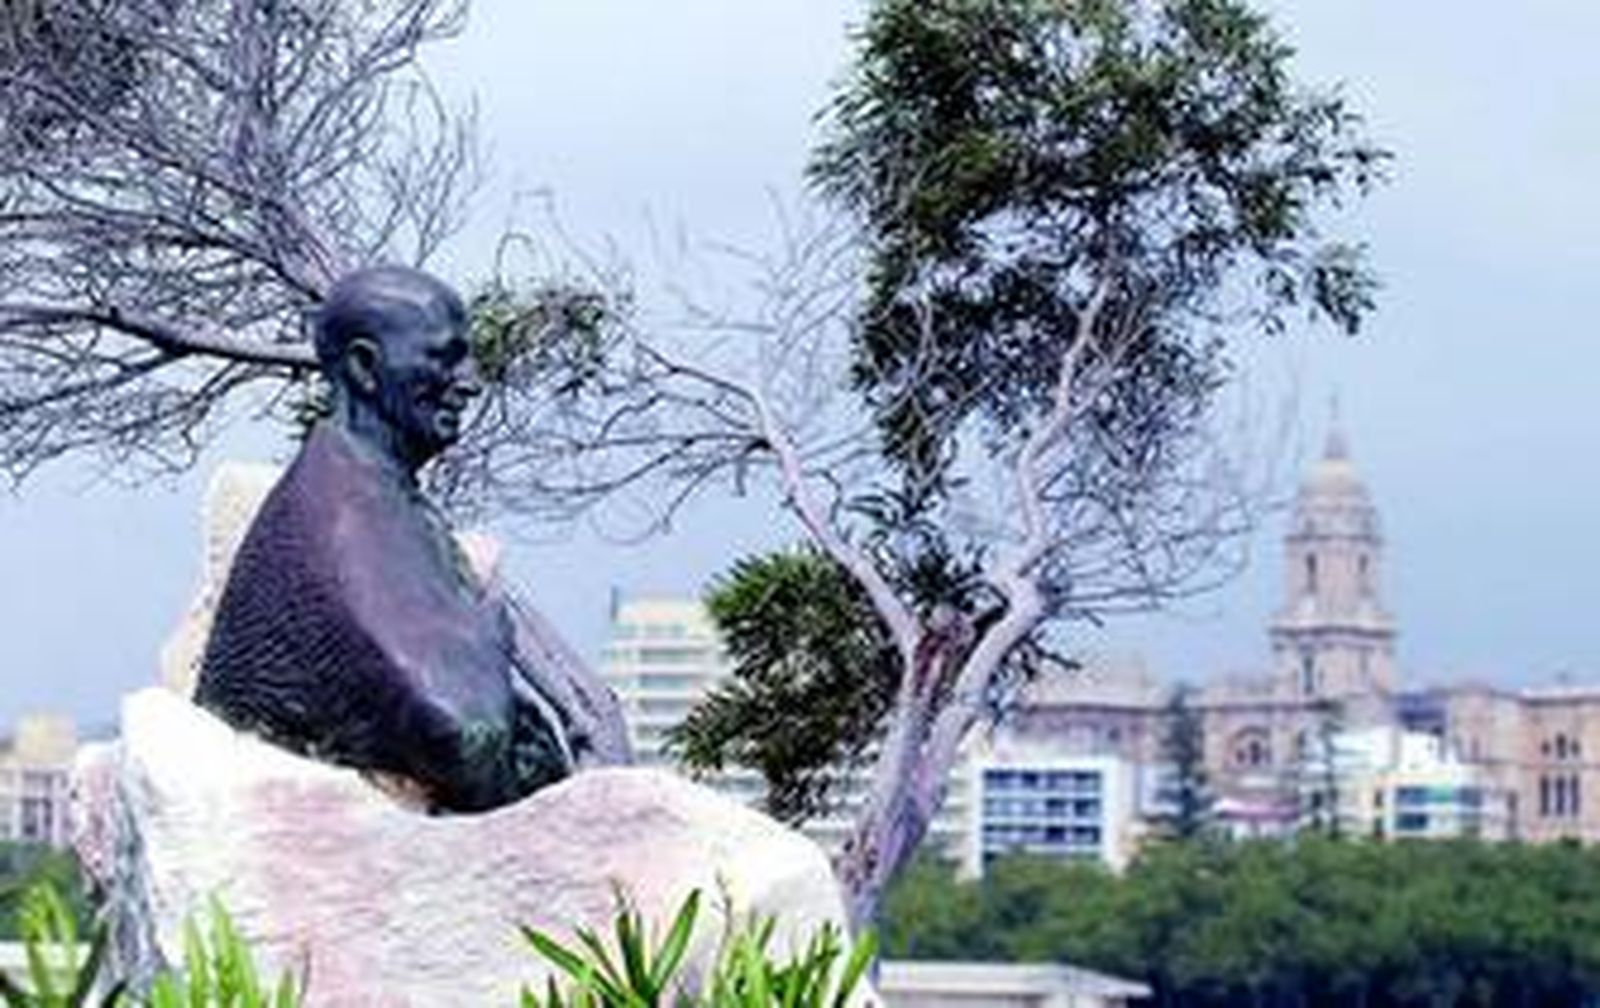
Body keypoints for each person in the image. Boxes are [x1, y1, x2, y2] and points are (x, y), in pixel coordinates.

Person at [195, 265, 628, 812]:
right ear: (365, 367)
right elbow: (460, 738)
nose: (469, 382)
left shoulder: (378, 494)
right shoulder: (341, 513)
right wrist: (486, 641)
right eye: (443, 358)